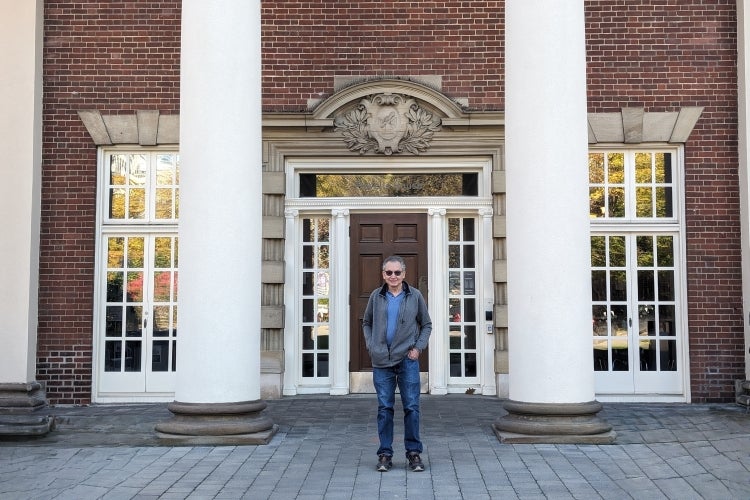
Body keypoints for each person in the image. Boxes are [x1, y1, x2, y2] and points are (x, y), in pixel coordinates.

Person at [362, 255, 432, 472]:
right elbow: (367, 323)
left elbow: (426, 324)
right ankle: (384, 454)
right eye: (388, 273)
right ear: (383, 274)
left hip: (407, 361)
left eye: (397, 272)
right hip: (381, 360)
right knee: (385, 408)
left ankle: (413, 453)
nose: (393, 276)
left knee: (411, 407)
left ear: (404, 274)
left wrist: (418, 348)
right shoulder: (376, 296)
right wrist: (372, 346)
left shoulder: (414, 296)